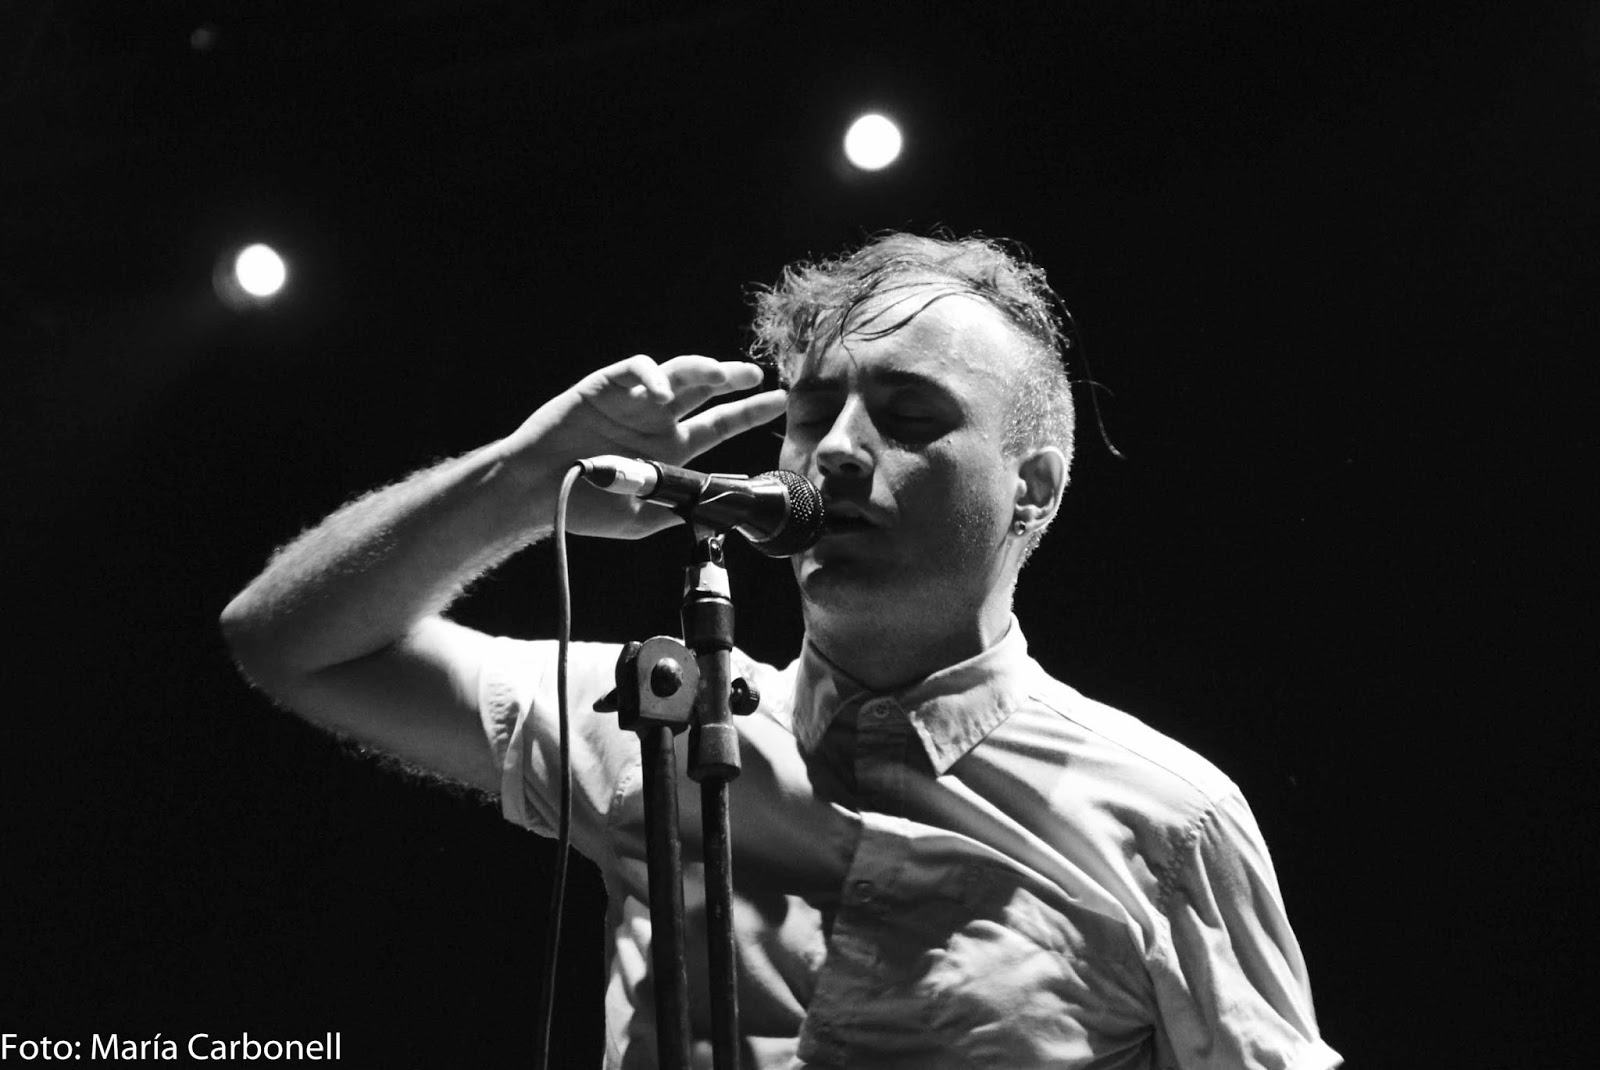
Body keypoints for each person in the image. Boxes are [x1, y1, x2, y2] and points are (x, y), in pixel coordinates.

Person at [221, 233, 1340, 1069]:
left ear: (1032, 489)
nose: (836, 450)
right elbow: (286, 643)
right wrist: (518, 481)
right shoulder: (653, 714)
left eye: (908, 415)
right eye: (812, 413)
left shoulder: (1165, 821)